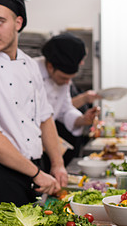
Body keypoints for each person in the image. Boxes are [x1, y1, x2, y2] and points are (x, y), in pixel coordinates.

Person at [0, 0, 67, 225]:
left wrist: (58, 164)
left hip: (32, 170)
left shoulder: (29, 64)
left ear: (18, 22)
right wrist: (38, 174)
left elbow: (45, 118)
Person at [35, 33, 100, 165]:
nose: (67, 83)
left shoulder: (62, 78)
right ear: (50, 66)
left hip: (47, 145)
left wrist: (82, 119)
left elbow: (65, 110)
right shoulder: (29, 72)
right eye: (64, 78)